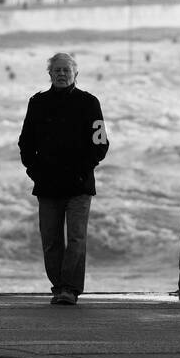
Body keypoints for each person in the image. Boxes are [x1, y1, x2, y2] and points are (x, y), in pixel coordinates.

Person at [18, 52, 109, 305]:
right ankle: (58, 287)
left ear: (75, 74)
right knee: (51, 240)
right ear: (49, 74)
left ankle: (70, 288)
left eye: (66, 70)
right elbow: (25, 142)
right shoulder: (37, 103)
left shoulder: (89, 103)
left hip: (79, 184)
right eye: (56, 70)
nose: (61, 74)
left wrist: (83, 169)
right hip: (47, 184)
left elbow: (100, 143)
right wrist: (33, 169)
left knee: (77, 238)